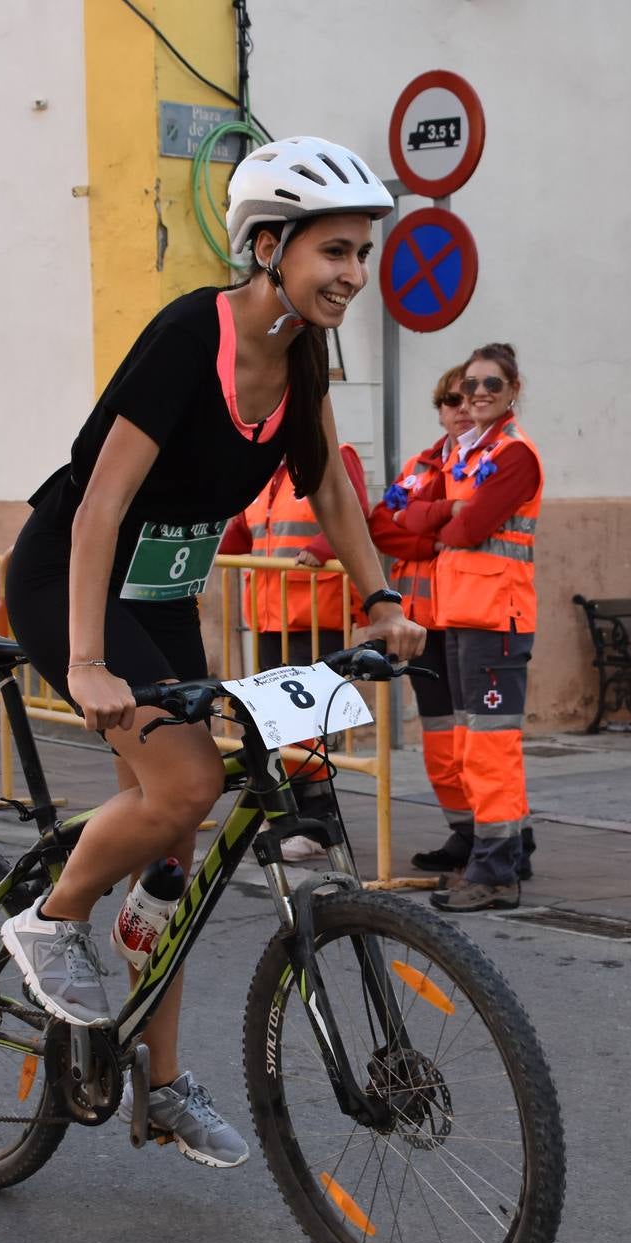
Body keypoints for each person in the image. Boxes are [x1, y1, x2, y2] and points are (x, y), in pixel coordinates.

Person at [0, 136, 424, 1167]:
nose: (354, 275)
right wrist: (89, 661)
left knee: (175, 852)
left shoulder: (305, 357)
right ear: (268, 245)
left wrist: (380, 597)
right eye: (335, 251)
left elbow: (326, 485)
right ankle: (52, 922)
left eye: (363, 254)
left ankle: (160, 1085)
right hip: (72, 578)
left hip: (166, 591)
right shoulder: (195, 334)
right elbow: (100, 504)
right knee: (186, 783)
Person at [392, 343, 542, 912]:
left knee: (489, 748)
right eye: (469, 387)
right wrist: (445, 517)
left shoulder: (513, 455)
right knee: (473, 745)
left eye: (490, 386)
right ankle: (502, 855)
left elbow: (470, 527)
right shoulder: (467, 456)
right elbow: (400, 516)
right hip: (462, 614)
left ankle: (496, 872)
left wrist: (447, 520)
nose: (477, 395)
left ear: (512, 390)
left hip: (495, 618)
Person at [220, 441, 373, 861]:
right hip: (272, 613)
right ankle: (292, 816)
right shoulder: (261, 469)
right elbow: (241, 530)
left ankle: (320, 823)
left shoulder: (330, 453)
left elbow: (353, 508)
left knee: (307, 726)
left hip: (315, 610)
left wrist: (323, 549)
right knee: (282, 725)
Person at [370, 364, 492, 871]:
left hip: (469, 617)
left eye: (467, 399)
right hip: (422, 624)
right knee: (439, 734)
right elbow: (380, 524)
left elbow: (473, 524)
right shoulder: (421, 466)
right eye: (449, 401)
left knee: (479, 739)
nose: (459, 409)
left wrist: (423, 519)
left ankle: (501, 835)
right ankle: (462, 832)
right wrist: (435, 529)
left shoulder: (487, 463)